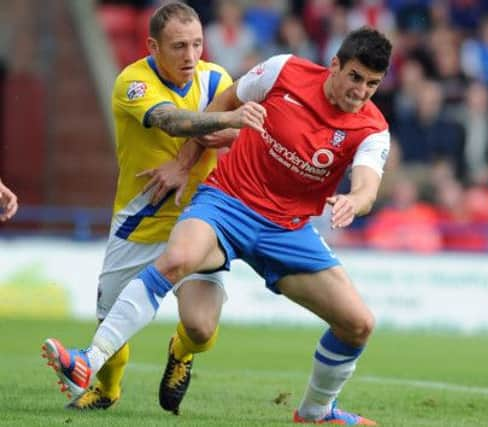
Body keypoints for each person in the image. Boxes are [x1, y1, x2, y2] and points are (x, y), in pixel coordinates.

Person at [43, 26, 392, 425]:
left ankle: (316, 412)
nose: (360, 91)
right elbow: (219, 106)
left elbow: (367, 185)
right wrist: (183, 164)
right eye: (355, 77)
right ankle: (89, 361)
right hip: (227, 202)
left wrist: (354, 200)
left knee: (358, 324)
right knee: (177, 258)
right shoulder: (283, 71)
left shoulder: (373, 129)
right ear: (335, 65)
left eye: (372, 84)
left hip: (286, 230)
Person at [58, 2, 265, 414]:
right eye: (178, 46)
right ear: (153, 46)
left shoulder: (215, 79)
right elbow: (173, 121)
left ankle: (181, 352)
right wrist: (226, 123)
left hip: (199, 221)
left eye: (197, 44)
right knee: (110, 327)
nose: (191, 56)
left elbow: (232, 138)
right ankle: (108, 389)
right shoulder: (132, 82)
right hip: (141, 220)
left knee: (202, 330)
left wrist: (193, 156)